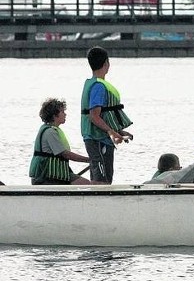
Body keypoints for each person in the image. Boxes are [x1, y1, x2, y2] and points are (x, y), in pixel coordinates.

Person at [81, 46, 134, 184]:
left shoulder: (93, 83)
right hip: (97, 139)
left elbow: (104, 116)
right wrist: (111, 132)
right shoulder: (98, 86)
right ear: (106, 63)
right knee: (101, 181)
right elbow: (94, 116)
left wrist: (119, 131)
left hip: (102, 138)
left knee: (105, 178)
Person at [29, 98, 92, 185]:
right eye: (62, 112)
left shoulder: (52, 129)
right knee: (85, 184)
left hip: (55, 174)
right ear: (55, 115)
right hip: (46, 176)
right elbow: (65, 154)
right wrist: (89, 160)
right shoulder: (50, 132)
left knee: (84, 183)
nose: (65, 114)